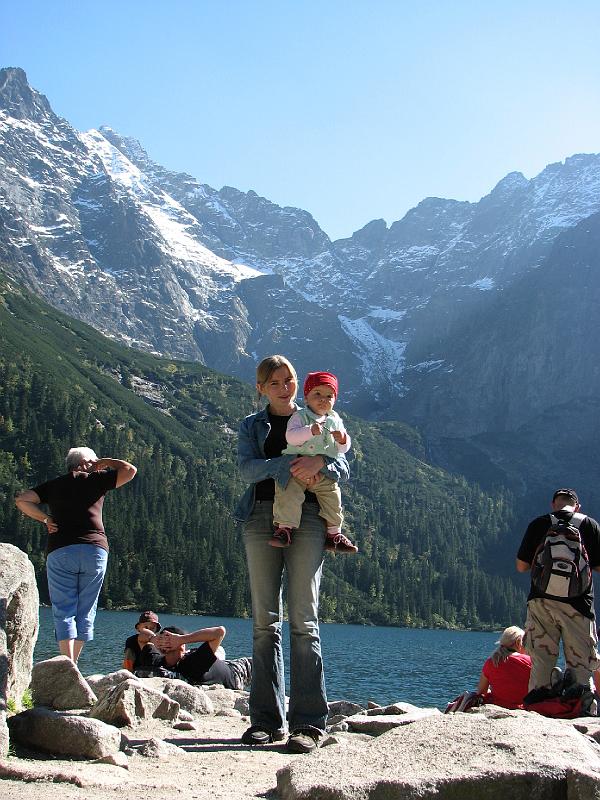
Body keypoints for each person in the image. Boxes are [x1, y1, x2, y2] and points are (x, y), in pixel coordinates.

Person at [235, 354, 350, 754]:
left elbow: (344, 468)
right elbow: (246, 470)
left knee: (305, 619)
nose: (284, 387)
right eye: (275, 382)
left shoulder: (319, 414)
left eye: (289, 380)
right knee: (264, 621)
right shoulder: (252, 426)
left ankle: (309, 724)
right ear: (261, 388)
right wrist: (286, 468)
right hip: (260, 518)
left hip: (311, 519)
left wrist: (322, 461)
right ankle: (265, 721)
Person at [15, 446, 137, 663]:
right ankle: (73, 664)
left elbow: (22, 500)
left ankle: (66, 661)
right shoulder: (96, 480)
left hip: (60, 550)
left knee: (64, 608)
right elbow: (130, 470)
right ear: (85, 463)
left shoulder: (54, 485)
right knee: (86, 608)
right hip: (94, 550)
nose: (96, 463)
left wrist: (45, 519)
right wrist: (107, 461)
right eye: (93, 460)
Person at [516, 488, 600, 691]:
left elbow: (521, 567)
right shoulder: (590, 525)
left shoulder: (540, 523)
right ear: (577, 506)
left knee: (542, 662)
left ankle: (538, 706)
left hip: (541, 602)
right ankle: (582, 706)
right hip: (579, 604)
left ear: (554, 504)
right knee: (581, 666)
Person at [270, 370, 357, 553]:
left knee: (332, 495)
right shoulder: (300, 417)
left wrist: (343, 439)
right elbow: (291, 437)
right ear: (306, 396)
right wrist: (310, 431)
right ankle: (284, 528)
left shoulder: (335, 420)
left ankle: (334, 533)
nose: (323, 399)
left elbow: (342, 451)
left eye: (329, 396)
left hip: (323, 471)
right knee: (288, 491)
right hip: (295, 467)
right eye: (317, 394)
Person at [136, 625, 252, 690]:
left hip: (240, 669)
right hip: (220, 669)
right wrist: (154, 638)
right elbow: (142, 635)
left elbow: (220, 631)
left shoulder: (191, 662)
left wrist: (181, 639)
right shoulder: (156, 660)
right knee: (215, 652)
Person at [476, 626, 532, 709]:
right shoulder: (529, 661)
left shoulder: (491, 662)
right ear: (518, 642)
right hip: (522, 707)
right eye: (524, 643)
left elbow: (481, 692)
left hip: (498, 706)